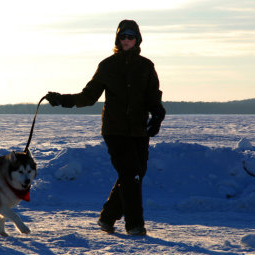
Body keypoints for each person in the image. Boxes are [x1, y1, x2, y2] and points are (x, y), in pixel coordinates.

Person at [45, 19, 165, 236]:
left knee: (137, 173)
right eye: (123, 36)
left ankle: (107, 218)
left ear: (137, 39)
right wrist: (61, 100)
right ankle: (135, 226)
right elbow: (88, 96)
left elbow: (153, 97)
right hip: (115, 130)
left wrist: (157, 116)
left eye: (131, 36)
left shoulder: (146, 66)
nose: (126, 40)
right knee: (131, 175)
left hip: (139, 130)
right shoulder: (108, 66)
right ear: (117, 39)